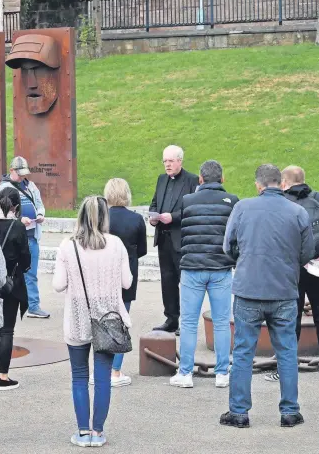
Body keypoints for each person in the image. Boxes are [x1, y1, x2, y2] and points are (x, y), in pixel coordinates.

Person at [220, 164, 314, 429]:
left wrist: (245, 260)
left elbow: (228, 246)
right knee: (286, 351)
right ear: (281, 183)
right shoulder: (298, 212)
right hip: (284, 289)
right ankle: (290, 411)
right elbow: (307, 252)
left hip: (249, 288)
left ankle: (239, 411)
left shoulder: (242, 208)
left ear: (258, 185)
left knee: (243, 351)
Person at [53, 196, 133, 447]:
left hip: (77, 318)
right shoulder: (117, 244)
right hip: (107, 321)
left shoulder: (68, 246)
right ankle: (98, 431)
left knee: (78, 376)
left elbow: (58, 285)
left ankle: (83, 432)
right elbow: (127, 282)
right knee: (102, 378)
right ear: (105, 216)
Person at [170, 160, 238, 389]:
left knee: (188, 322)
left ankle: (185, 373)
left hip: (192, 267)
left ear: (200, 179)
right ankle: (222, 373)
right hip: (220, 267)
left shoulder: (187, 201)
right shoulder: (232, 201)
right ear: (222, 179)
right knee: (221, 322)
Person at [265, 165, 319, 383]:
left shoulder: (280, 203)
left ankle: (286, 367)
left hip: (290, 268)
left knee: (290, 317)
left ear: (284, 183)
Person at [89, 178, 147, 388]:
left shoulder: (100, 218)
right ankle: (115, 370)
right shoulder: (136, 219)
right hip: (127, 274)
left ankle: (99, 369)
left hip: (101, 274)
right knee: (122, 321)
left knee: (99, 321)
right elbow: (142, 250)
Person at [149, 145, 199, 334]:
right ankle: (171, 319)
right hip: (163, 238)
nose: (167, 165)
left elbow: (193, 209)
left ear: (180, 161)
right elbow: (155, 202)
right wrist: (154, 217)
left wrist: (174, 217)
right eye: (165, 161)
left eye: (171, 161)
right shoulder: (162, 179)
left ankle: (186, 321)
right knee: (167, 281)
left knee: (184, 281)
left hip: (181, 239)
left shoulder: (192, 180)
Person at [0, 156, 49, 318]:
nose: (22, 177)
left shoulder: (30, 185)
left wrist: (40, 214)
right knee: (8, 271)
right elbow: (2, 213)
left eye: (23, 174)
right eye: (19, 174)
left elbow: (39, 203)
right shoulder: (4, 188)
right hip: (13, 235)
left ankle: (33, 305)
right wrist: (19, 220)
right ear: (12, 171)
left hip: (31, 235)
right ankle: (7, 302)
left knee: (31, 271)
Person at [0, 187, 28, 390]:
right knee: (7, 329)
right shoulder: (18, 227)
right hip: (11, 283)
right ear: (16, 206)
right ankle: (3, 376)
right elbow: (26, 260)